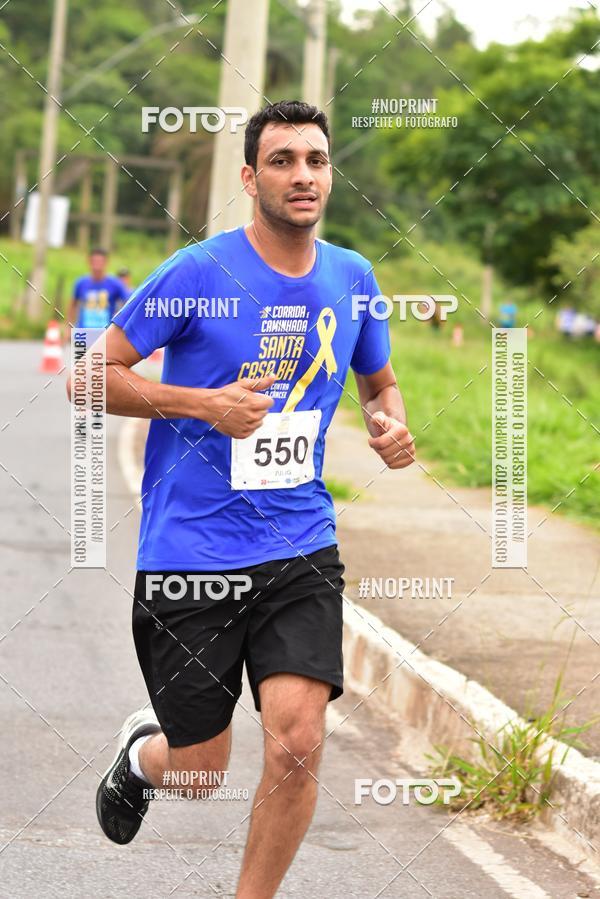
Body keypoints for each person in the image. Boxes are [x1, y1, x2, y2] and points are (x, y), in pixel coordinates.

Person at [70, 100, 415, 898]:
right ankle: (143, 756)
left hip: (299, 542)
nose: (304, 175)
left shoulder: (353, 276)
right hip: (192, 551)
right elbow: (89, 376)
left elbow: (380, 380)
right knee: (198, 772)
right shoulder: (198, 271)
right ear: (250, 175)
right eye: (285, 160)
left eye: (317, 160)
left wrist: (388, 423)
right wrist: (203, 403)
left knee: (298, 742)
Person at [64, 248, 128, 338]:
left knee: (103, 352)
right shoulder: (81, 283)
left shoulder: (115, 284)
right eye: (94, 262)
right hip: (82, 333)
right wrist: (68, 327)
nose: (97, 266)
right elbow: (72, 305)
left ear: (106, 263)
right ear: (89, 262)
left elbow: (128, 303)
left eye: (100, 262)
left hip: (105, 334)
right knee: (81, 353)